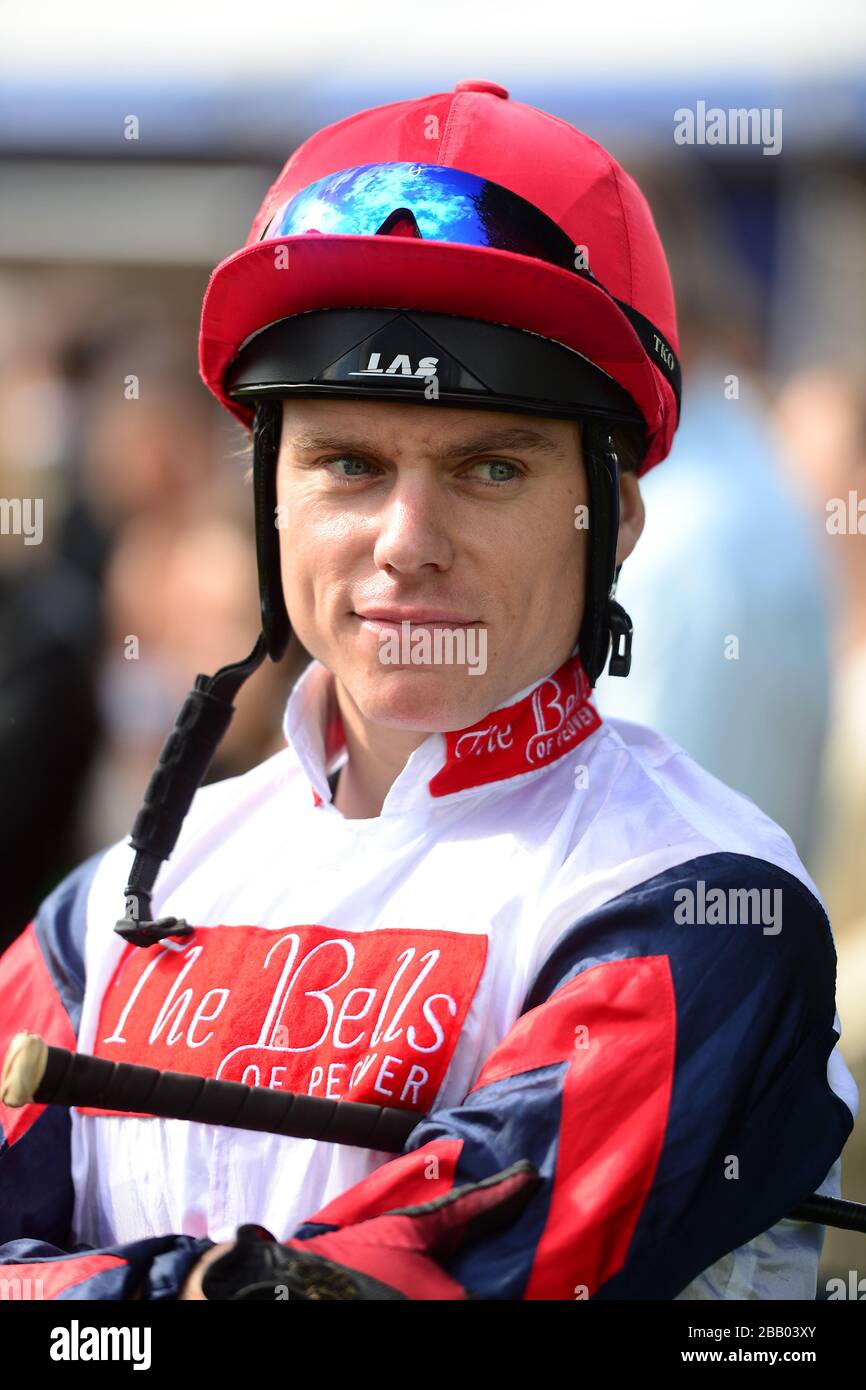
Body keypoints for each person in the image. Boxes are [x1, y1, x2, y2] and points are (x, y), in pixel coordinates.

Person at [0, 81, 857, 1302]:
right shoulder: (111, 904)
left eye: (488, 467)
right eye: (347, 461)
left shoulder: (705, 904)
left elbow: (403, 1289)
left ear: (610, 520)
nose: (406, 538)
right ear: (270, 502)